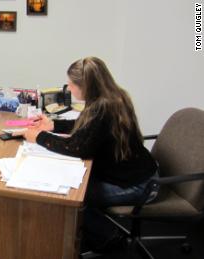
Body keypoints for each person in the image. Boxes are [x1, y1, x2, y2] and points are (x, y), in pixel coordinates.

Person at [15, 56, 158, 250]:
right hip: (138, 172)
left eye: (71, 84)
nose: (69, 88)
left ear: (86, 86)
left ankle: (111, 239)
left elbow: (77, 148)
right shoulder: (111, 97)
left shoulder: (103, 108)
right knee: (74, 188)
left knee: (73, 198)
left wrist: (39, 136)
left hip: (139, 185)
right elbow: (89, 128)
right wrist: (53, 125)